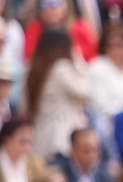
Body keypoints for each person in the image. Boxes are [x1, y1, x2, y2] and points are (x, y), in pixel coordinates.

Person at [27, 27, 91, 160]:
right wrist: (77, 58)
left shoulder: (31, 69)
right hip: (61, 138)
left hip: (40, 136)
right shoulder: (61, 68)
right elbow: (86, 90)